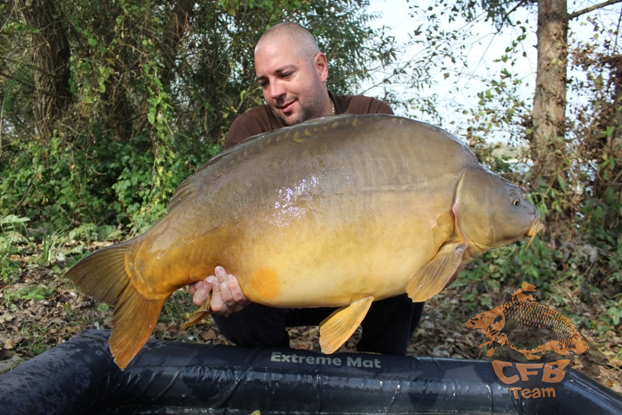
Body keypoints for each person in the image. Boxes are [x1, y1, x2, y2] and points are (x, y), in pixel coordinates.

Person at [188, 22, 424, 355]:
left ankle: (378, 373)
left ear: (320, 67)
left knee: (408, 280)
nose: (275, 92)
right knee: (232, 300)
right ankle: (278, 378)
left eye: (285, 74)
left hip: (355, 280)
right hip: (278, 288)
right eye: (265, 82)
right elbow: (226, 219)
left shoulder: (371, 118)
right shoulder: (252, 130)